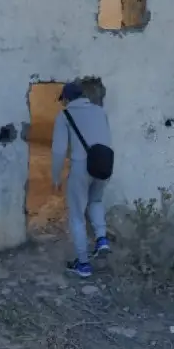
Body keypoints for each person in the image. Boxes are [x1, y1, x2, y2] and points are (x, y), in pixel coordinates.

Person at [51, 81, 112, 277]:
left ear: (66, 98)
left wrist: (55, 177)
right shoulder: (100, 111)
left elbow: (59, 150)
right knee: (96, 201)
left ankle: (83, 265)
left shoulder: (65, 115)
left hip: (81, 166)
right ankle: (102, 239)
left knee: (77, 215)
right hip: (104, 163)